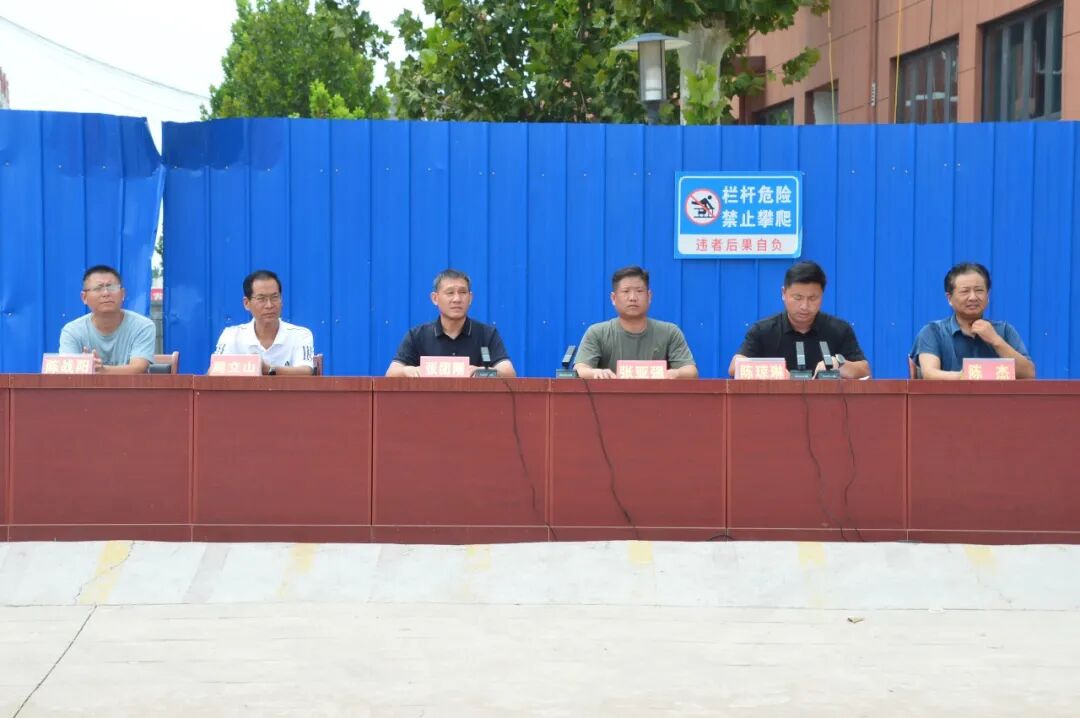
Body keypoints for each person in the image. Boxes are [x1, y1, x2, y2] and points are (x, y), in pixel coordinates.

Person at [729, 260, 870, 379]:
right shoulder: (763, 330)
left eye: (813, 298)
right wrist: (774, 371)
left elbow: (864, 370)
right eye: (798, 298)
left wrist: (839, 365)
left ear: (822, 295)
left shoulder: (839, 329)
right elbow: (735, 367)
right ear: (783, 293)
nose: (804, 306)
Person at [910, 262, 1035, 380]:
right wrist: (968, 377)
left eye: (979, 290)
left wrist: (995, 340)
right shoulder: (933, 332)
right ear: (949, 298)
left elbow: (1028, 374)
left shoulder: (1004, 331)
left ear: (987, 295)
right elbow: (930, 374)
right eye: (965, 291)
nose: (973, 297)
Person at [574, 266, 698, 379]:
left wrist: (675, 373)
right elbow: (580, 369)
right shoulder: (597, 332)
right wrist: (595, 373)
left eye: (639, 291)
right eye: (626, 291)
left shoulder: (669, 332)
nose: (633, 297)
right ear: (613, 298)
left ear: (649, 296)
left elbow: (691, 371)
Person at [386, 269, 516, 377]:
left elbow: (509, 373)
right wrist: (408, 371)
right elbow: (391, 373)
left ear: (470, 298)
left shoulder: (486, 335)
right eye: (450, 293)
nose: (457, 299)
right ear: (435, 298)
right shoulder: (417, 336)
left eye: (463, 292)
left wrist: (483, 372)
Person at [214, 270, 315, 375]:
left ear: (281, 300)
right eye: (261, 299)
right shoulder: (231, 336)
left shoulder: (300, 335)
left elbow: (307, 371)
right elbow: (214, 372)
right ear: (246, 303)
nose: (269, 305)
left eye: (274, 297)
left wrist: (268, 369)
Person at [58, 265, 156, 374]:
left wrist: (103, 371)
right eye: (98, 288)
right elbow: (67, 372)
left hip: (130, 386)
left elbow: (139, 368)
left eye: (112, 287)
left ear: (122, 294)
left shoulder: (142, 326)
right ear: (84, 297)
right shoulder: (72, 331)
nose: (106, 293)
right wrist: (82, 367)